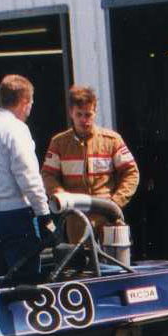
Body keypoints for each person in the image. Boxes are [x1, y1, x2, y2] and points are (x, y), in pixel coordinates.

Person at [0, 74, 55, 278]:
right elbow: (28, 177)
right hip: (15, 216)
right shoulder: (16, 129)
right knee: (25, 282)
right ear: (24, 102)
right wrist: (44, 215)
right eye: (31, 103)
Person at [41, 84, 139, 243]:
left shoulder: (112, 141)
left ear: (95, 112)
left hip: (108, 218)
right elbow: (48, 174)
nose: (84, 120)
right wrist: (60, 194)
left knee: (114, 264)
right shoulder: (59, 143)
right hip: (75, 218)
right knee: (81, 265)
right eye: (79, 114)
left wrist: (116, 202)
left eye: (88, 114)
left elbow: (131, 173)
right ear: (71, 113)